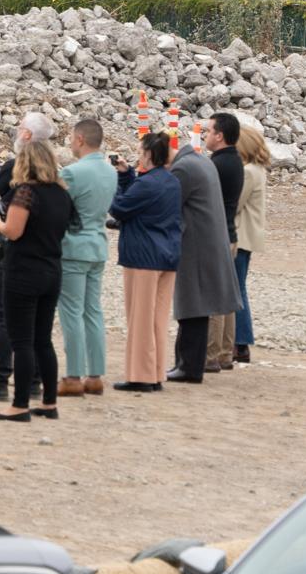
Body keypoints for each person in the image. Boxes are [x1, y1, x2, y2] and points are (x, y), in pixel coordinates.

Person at [0, 112, 57, 402]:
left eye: (20, 128)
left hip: (13, 252)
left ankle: (0, 378)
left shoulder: (16, 167)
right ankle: (34, 380)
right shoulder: (55, 175)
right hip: (47, 258)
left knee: (4, 316)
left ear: (27, 136)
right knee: (37, 323)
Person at [0, 139, 74, 422]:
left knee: (21, 340)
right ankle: (49, 402)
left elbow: (13, 231)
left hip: (24, 271)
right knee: (42, 340)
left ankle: (19, 404)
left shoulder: (26, 192)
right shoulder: (62, 193)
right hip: (52, 268)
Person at [108, 131, 182, 392]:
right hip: (167, 255)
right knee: (157, 319)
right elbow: (135, 201)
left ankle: (140, 375)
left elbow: (119, 208)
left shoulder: (148, 183)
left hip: (143, 257)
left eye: (141, 152)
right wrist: (127, 175)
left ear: (149, 154)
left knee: (140, 318)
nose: (138, 155)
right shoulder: (170, 181)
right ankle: (155, 372)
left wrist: (116, 182)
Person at [167, 126, 240, 384]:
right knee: (203, 306)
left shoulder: (185, 168)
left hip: (197, 246)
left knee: (196, 307)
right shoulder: (203, 163)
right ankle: (201, 361)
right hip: (214, 240)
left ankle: (193, 364)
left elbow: (168, 206)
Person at [56, 119, 120, 397]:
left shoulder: (71, 172)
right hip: (97, 244)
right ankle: (95, 374)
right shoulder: (111, 172)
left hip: (73, 246)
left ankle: (72, 375)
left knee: (71, 312)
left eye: (72, 138)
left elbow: (58, 207)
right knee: (93, 310)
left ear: (80, 139)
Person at [205, 112, 247, 374]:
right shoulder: (235, 161)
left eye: (208, 131)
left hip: (216, 236)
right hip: (229, 234)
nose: (205, 136)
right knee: (226, 298)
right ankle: (224, 353)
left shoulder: (217, 165)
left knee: (213, 300)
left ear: (219, 135)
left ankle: (210, 355)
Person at [232, 118, 272, 364]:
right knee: (239, 287)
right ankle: (239, 341)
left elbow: (235, 204)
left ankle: (241, 342)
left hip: (241, 234)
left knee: (237, 289)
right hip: (250, 235)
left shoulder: (247, 172)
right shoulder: (258, 170)